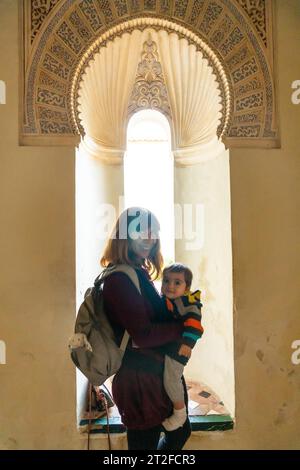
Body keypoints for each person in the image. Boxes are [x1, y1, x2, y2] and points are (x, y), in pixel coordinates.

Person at [101, 207, 191, 450]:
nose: (149, 238)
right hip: (140, 380)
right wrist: (182, 328)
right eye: (140, 230)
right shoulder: (118, 280)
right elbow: (143, 334)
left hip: (155, 374)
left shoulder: (137, 272)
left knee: (180, 433)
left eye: (154, 232)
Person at [160, 263, 204, 431]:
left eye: (177, 282)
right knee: (170, 377)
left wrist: (188, 344)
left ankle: (180, 413)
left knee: (171, 379)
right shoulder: (169, 300)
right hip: (172, 347)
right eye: (166, 281)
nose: (170, 285)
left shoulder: (187, 302)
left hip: (180, 348)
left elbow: (195, 324)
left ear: (187, 288)